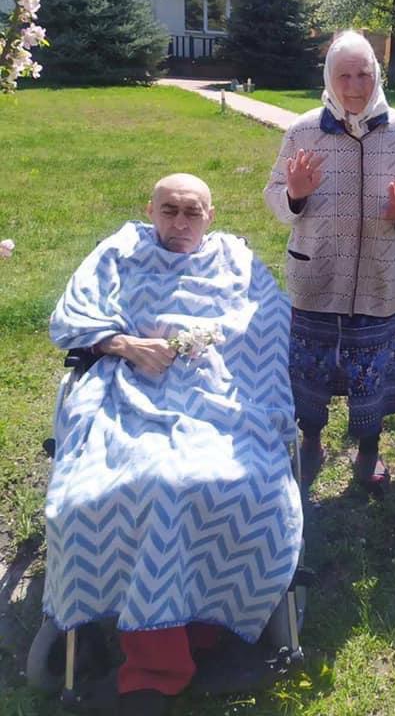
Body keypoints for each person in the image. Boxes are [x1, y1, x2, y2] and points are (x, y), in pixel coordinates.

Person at [45, 173, 302, 716]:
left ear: (210, 217)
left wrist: (222, 359)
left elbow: (267, 325)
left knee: (241, 481)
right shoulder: (119, 253)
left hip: (220, 390)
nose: (180, 223)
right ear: (150, 210)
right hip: (128, 389)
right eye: (169, 211)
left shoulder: (236, 261)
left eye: (192, 212)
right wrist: (125, 344)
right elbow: (73, 315)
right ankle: (156, 662)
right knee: (146, 480)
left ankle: (202, 626)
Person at [264, 30, 395, 493]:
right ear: (328, 77)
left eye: (364, 74)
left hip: (379, 276)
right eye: (344, 75)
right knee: (310, 368)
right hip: (317, 274)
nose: (356, 86)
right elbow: (274, 194)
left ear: (376, 74)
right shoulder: (303, 131)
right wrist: (294, 194)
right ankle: (311, 441)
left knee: (372, 370)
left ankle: (369, 450)